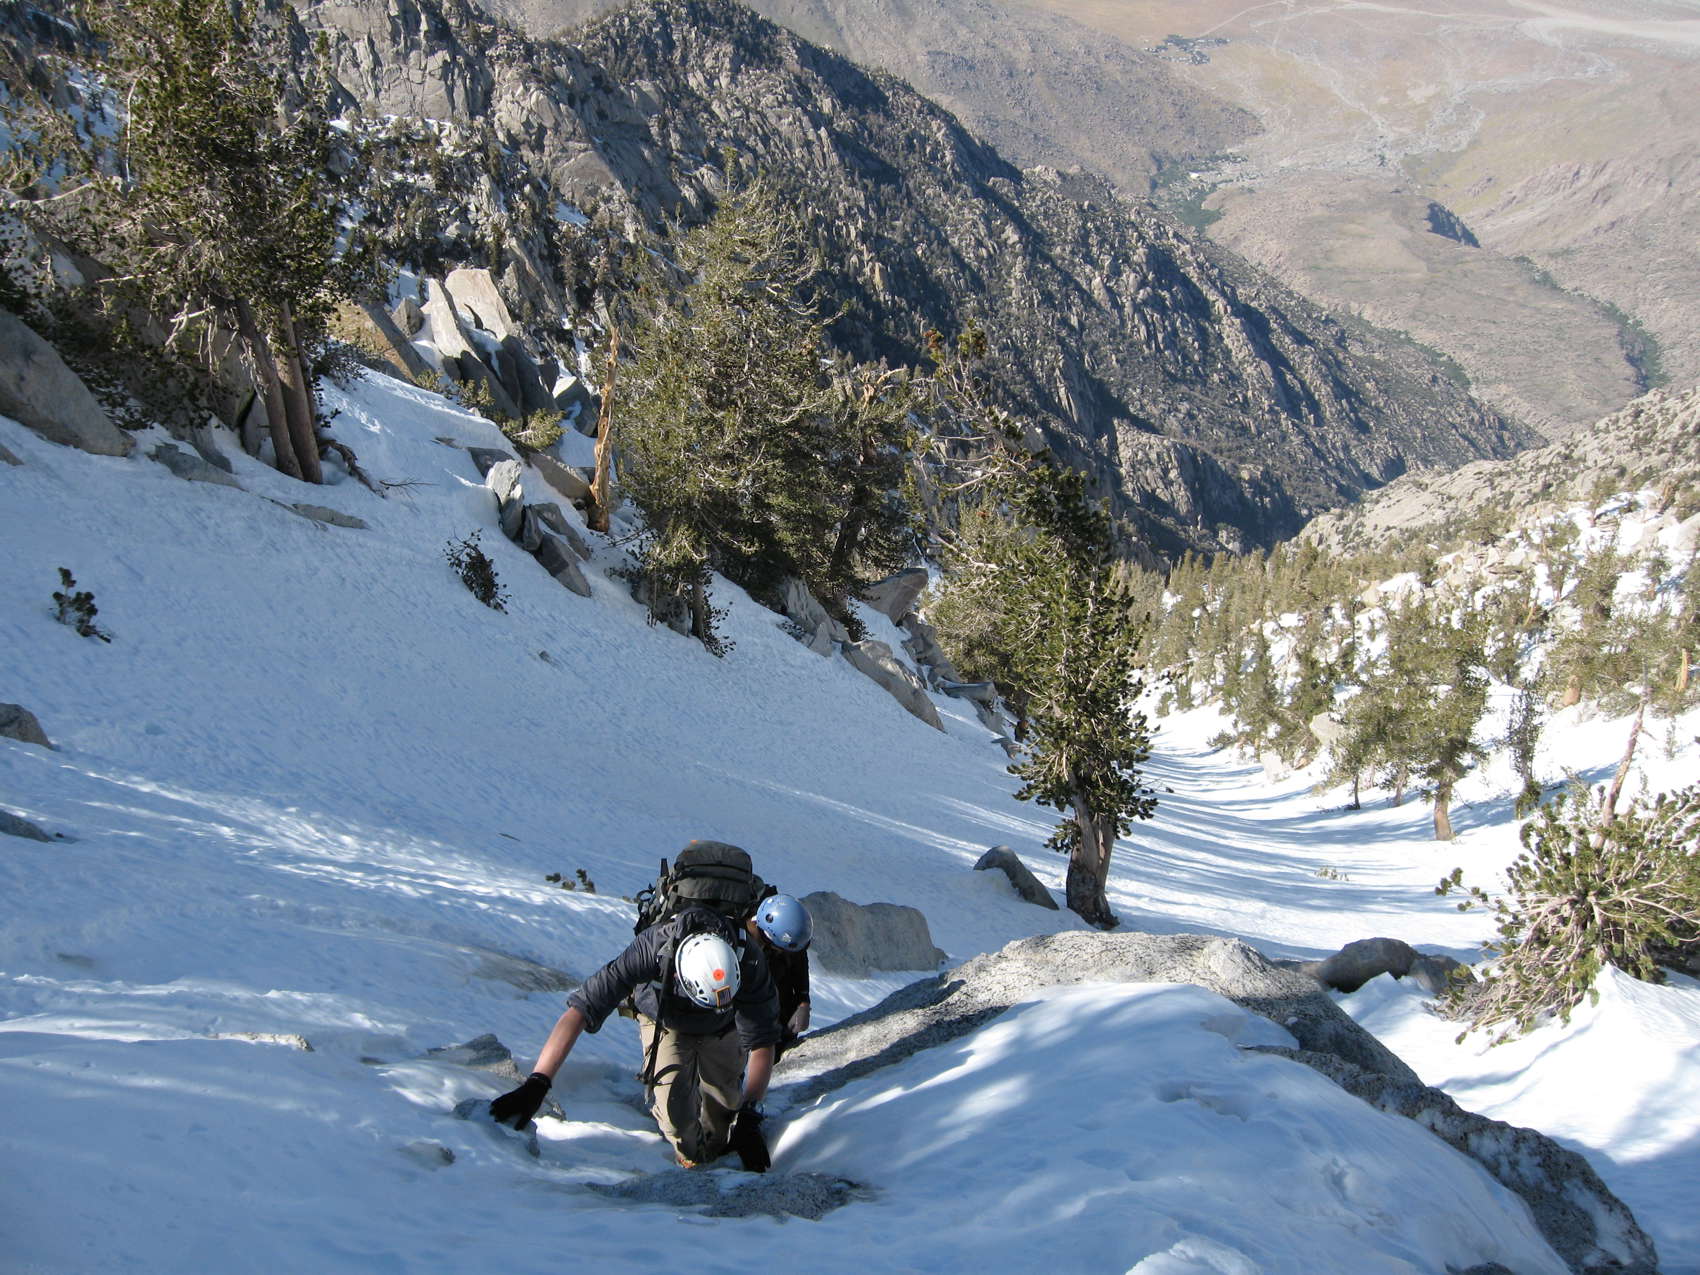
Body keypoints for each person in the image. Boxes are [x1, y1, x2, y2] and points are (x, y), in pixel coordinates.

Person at [489, 905, 780, 1171]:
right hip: (665, 1018)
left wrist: (749, 1117)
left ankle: (718, 1148)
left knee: (726, 1104)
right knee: (675, 1113)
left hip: (724, 1024)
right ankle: (692, 1159)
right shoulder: (651, 949)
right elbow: (581, 1009)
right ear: (678, 976)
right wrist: (538, 1083)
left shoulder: (748, 957)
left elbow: (762, 1040)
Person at [749, 892, 813, 1058]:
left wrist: (803, 1000)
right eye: (780, 949)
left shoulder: (782, 933)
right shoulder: (739, 943)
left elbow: (797, 957)